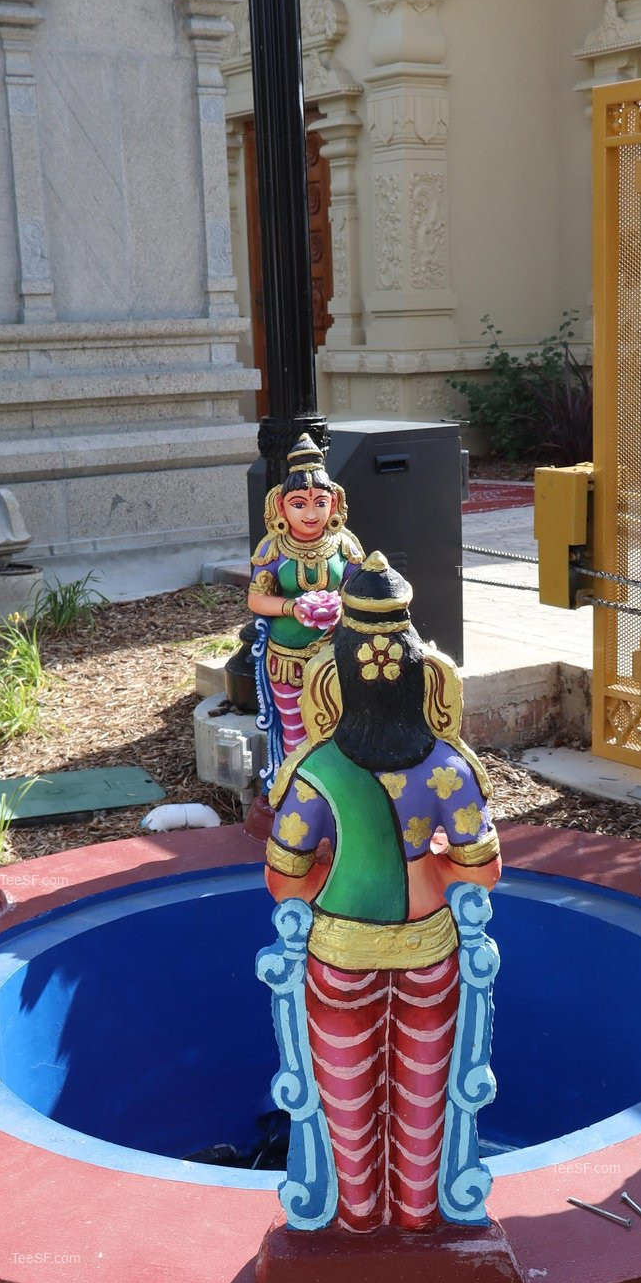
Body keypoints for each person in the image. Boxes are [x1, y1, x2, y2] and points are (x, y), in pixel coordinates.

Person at [263, 555, 500, 1233]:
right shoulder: (448, 769)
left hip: (339, 950)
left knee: (344, 1096)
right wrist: (427, 867)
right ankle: (423, 1215)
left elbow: (284, 877)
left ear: (332, 678)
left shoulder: (312, 772)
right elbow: (480, 870)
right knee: (425, 1094)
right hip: (429, 948)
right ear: (422, 675)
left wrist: (331, 873)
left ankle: (357, 1216)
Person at [248, 432, 364, 779]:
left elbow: (362, 588)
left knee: (340, 722)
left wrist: (343, 605)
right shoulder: (273, 548)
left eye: (320, 503)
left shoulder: (344, 544)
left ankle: (340, 787)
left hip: (339, 653)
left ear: (335, 503)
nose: (311, 514)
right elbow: (256, 599)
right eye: (299, 504)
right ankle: (297, 791)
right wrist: (293, 608)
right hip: (288, 657)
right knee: (295, 729)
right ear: (281, 505)